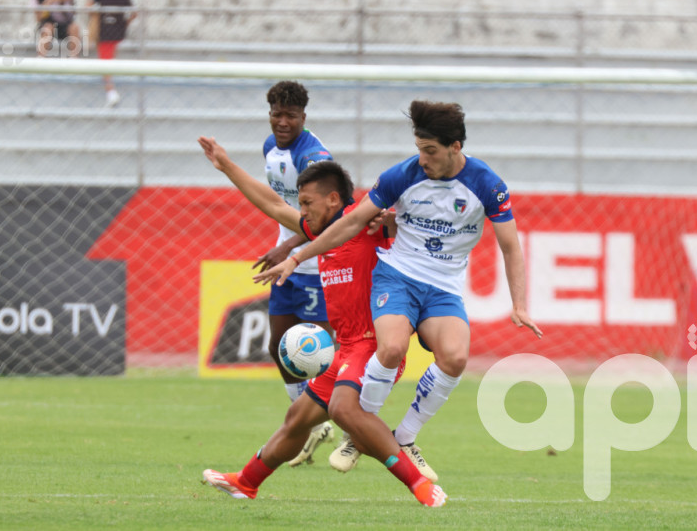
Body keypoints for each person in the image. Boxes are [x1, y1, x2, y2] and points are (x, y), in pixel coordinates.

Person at [254, 100, 543, 468]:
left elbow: (510, 247)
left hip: (444, 287)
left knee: (454, 358)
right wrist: (296, 256)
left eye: (431, 151)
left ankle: (403, 438)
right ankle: (358, 434)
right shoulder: (402, 175)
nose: (422, 159)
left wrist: (519, 304)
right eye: (419, 148)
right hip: (399, 275)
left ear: (455, 147)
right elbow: (351, 222)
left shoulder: (487, 184)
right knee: (390, 348)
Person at [197, 136, 446, 507]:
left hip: (374, 346)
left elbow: (408, 228)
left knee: (345, 410)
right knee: (297, 418)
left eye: (308, 203)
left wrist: (392, 221)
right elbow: (272, 204)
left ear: (333, 199)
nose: (302, 212)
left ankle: (419, 485)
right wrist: (226, 166)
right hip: (346, 348)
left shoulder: (365, 223)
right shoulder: (321, 233)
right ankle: (246, 483)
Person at [253, 81, 338, 467]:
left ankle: (351, 428)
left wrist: (287, 248)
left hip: (318, 263)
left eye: (290, 115)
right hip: (290, 263)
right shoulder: (271, 148)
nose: (282, 121)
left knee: (323, 355)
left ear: (304, 117)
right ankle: (312, 425)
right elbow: (283, 207)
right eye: (276, 114)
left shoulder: (315, 159)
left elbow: (325, 221)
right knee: (278, 348)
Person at [87, 0, 136, 108]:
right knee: (108, 60)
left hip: (105, 33)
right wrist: (123, 25)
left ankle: (111, 92)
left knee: (105, 63)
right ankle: (111, 90)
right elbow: (134, 13)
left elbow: (88, 7)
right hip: (116, 32)